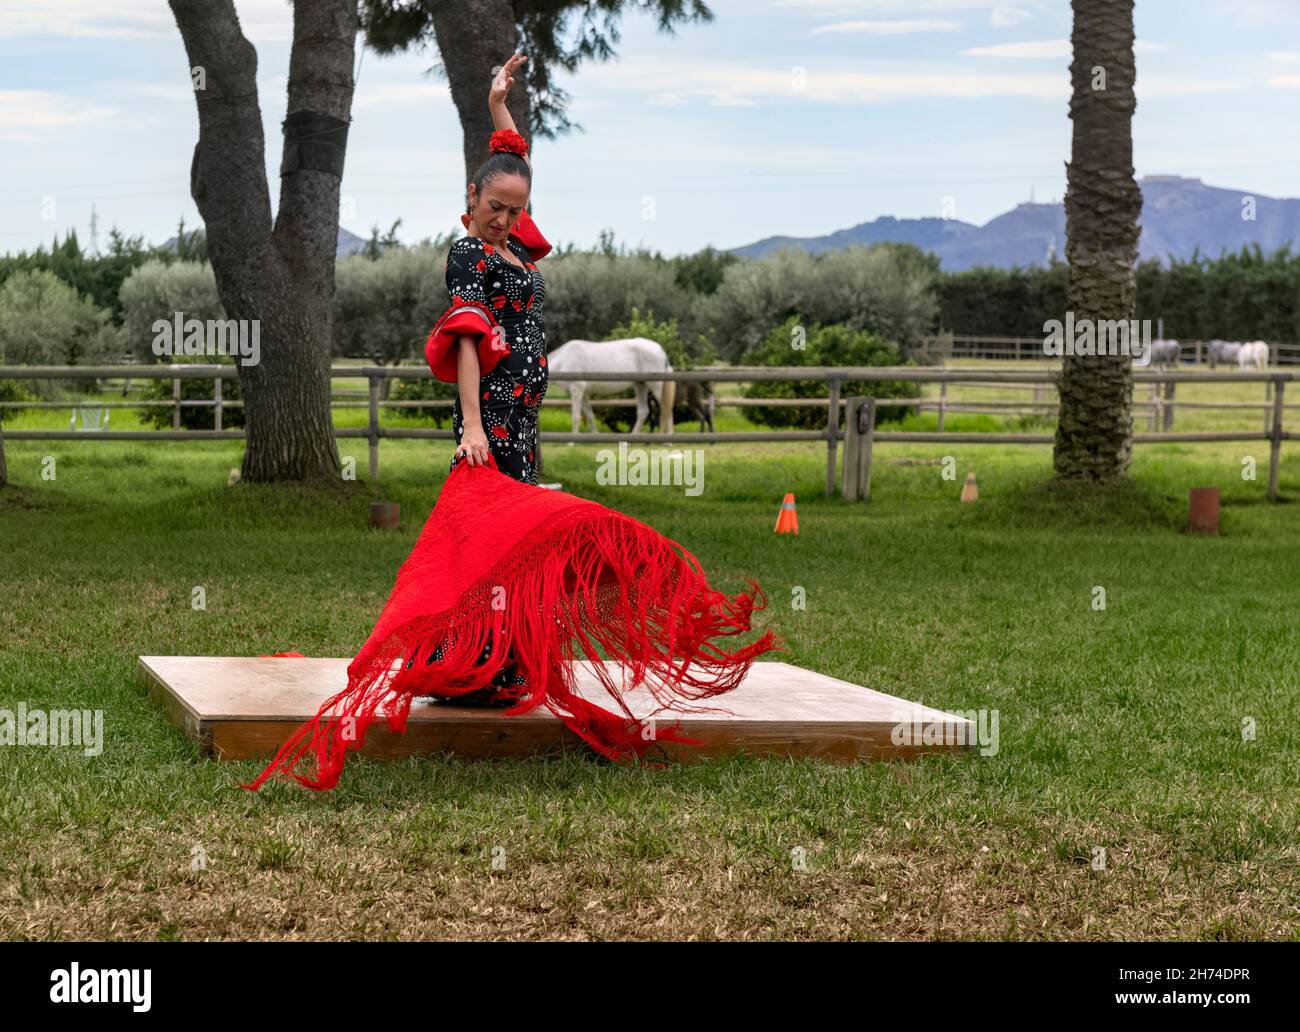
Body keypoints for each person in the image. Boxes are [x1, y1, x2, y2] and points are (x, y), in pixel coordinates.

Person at [242, 54, 781, 793]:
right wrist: (472, 426)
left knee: (513, 547)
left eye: (514, 207)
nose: (506, 216)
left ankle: (494, 664)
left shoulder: (513, 244)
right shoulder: (470, 253)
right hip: (491, 414)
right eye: (495, 204)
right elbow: (467, 337)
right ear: (471, 198)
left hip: (522, 420)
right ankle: (468, 664)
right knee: (491, 538)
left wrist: (500, 107)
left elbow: (514, 162)